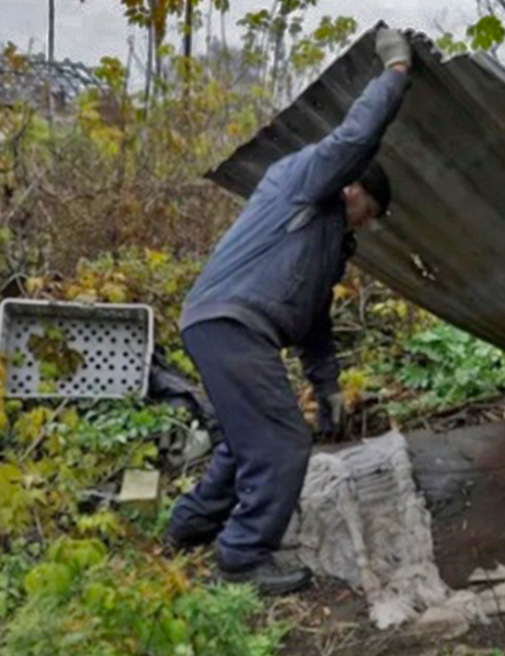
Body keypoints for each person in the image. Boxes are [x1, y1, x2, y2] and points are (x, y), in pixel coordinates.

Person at [164, 28, 413, 595]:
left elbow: (315, 327)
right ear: (351, 189)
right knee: (280, 443)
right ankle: (244, 555)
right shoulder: (304, 183)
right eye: (367, 211)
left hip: (220, 325)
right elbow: (356, 136)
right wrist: (395, 71)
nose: (365, 225)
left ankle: (190, 526)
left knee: (246, 438)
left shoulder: (325, 241)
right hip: (233, 324)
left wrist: (327, 391)